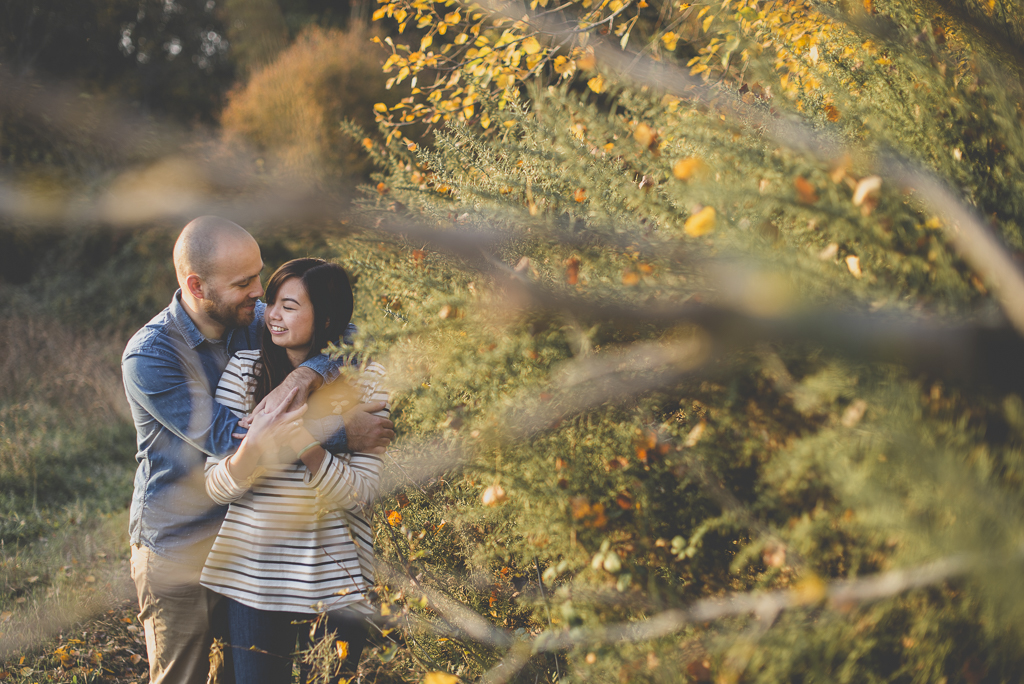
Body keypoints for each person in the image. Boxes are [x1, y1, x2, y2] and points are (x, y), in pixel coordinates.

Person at [121, 217, 395, 684]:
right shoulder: (152, 356)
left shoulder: (253, 317)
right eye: (244, 282)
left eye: (258, 276)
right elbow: (235, 437)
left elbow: (343, 328)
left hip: (249, 548)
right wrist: (341, 435)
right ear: (196, 285)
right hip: (180, 544)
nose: (259, 294)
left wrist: (308, 372)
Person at [201, 258, 385, 683]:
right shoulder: (244, 372)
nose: (272, 317)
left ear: (325, 318)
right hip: (251, 582)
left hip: (336, 586)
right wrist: (323, 433)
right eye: (272, 305)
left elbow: (362, 492)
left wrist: (302, 439)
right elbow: (217, 485)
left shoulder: (367, 379)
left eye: (289, 306)